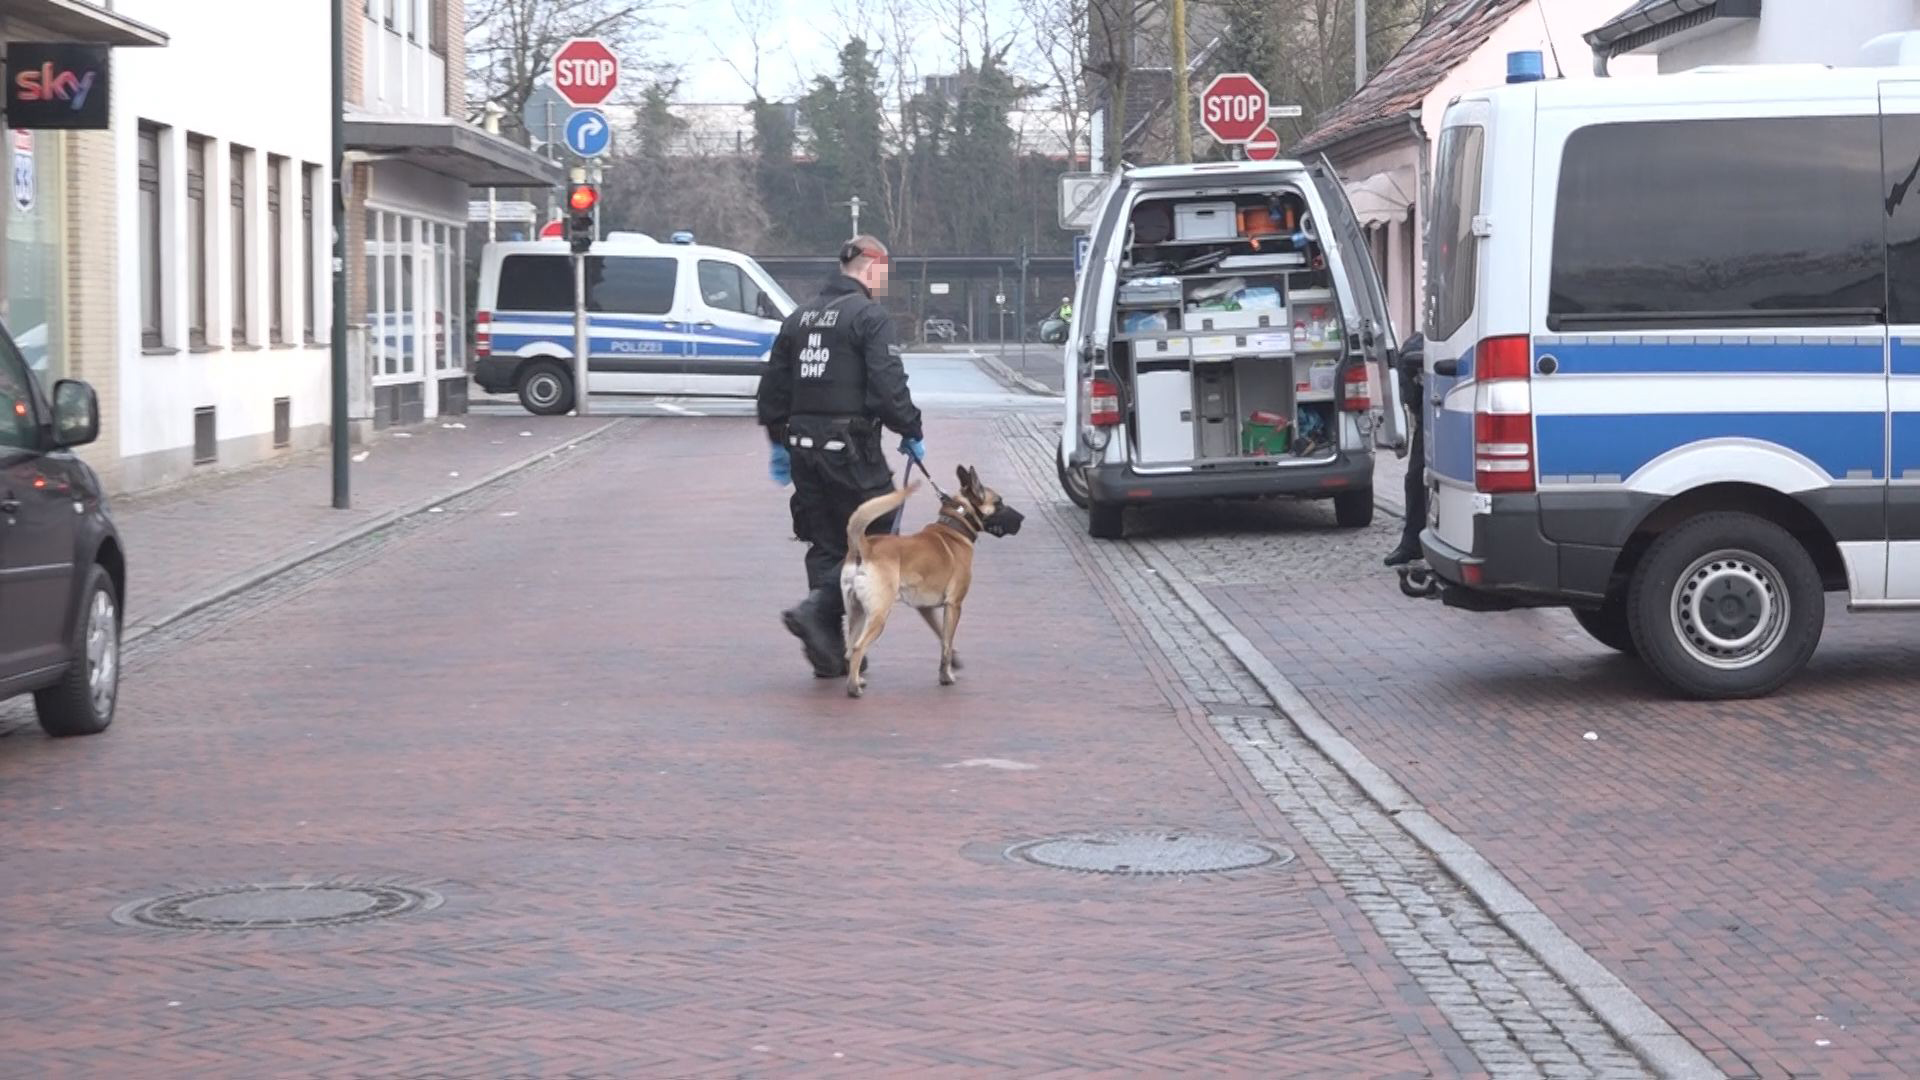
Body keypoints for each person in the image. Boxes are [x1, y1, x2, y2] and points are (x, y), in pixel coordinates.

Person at [757, 235, 925, 678]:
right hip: (851, 452)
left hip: (804, 451)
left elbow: (773, 390)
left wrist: (780, 441)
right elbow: (887, 388)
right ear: (870, 265)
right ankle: (817, 611)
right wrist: (910, 428)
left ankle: (831, 649)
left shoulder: (798, 318)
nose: (884, 280)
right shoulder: (868, 316)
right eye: (884, 271)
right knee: (878, 533)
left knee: (827, 543)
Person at [1384, 333, 1428, 566]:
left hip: (1451, 416)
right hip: (1429, 420)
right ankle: (1413, 543)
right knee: (1415, 480)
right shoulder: (1418, 345)